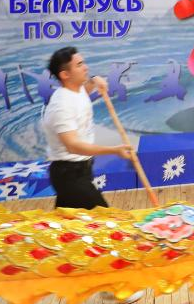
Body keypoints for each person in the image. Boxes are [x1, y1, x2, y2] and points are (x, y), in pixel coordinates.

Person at [42, 47, 133, 210]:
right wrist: (114, 150)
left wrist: (93, 82)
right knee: (104, 218)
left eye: (83, 63)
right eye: (79, 65)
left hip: (80, 171)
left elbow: (81, 94)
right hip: (69, 175)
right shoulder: (61, 105)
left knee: (68, 222)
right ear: (65, 75)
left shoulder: (74, 91)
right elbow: (73, 146)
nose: (86, 68)